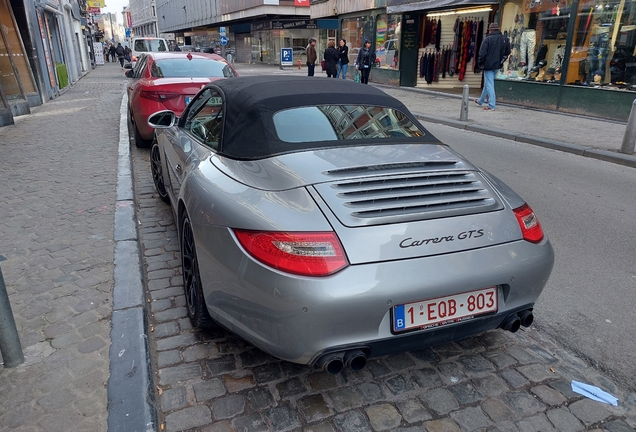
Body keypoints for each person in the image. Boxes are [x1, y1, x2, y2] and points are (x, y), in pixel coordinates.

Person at [475, 22, 510, 111]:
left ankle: (491, 105)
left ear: (491, 30)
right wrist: (501, 61)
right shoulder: (504, 39)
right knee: (487, 83)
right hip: (497, 65)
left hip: (488, 65)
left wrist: (480, 63)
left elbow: (482, 54)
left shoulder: (487, 39)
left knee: (489, 85)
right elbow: (507, 52)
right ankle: (480, 101)